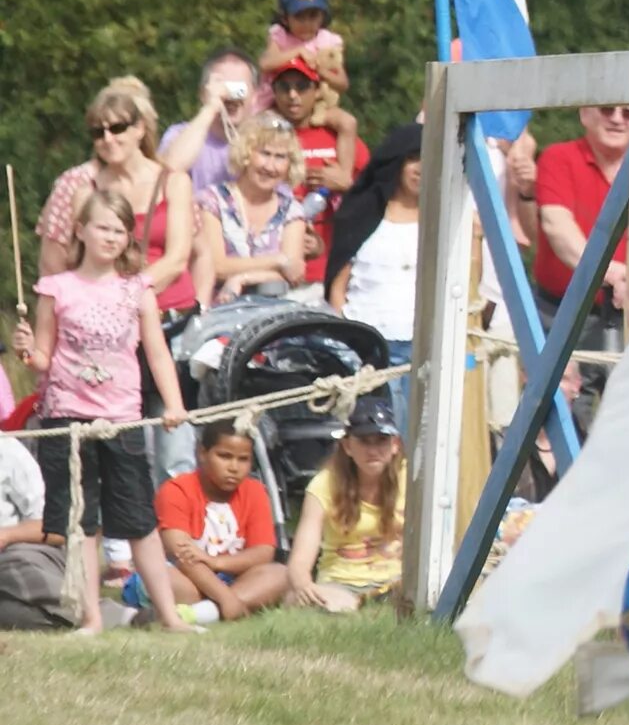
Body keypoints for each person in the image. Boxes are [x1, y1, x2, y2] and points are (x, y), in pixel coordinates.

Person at [28, 189, 194, 632]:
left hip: (121, 416)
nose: (111, 237)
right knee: (81, 522)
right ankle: (92, 617)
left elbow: (158, 353)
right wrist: (29, 351)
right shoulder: (55, 288)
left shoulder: (137, 289)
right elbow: (43, 358)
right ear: (80, 230)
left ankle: (170, 617)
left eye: (120, 230)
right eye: (102, 227)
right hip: (67, 417)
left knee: (139, 518)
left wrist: (174, 403)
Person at [37, 78, 197, 317]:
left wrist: (133, 295)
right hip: (113, 317)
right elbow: (79, 262)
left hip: (172, 310)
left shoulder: (174, 182)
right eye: (98, 132)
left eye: (117, 128)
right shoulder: (86, 192)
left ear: (140, 129)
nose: (108, 139)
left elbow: (178, 257)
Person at [153, 419, 288, 623]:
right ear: (202, 453)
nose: (234, 467)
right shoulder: (176, 490)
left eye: (243, 459)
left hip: (232, 577)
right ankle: (220, 608)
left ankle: (198, 613)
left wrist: (216, 562)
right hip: (185, 574)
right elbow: (181, 555)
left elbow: (263, 552)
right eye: (224, 456)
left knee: (281, 573)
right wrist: (226, 597)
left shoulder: (255, 491)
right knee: (173, 584)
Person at [286, 394, 404, 612]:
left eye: (381, 440)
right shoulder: (323, 484)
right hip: (340, 584)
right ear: (348, 446)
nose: (373, 450)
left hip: (397, 580)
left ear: (395, 444)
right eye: (364, 441)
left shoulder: (411, 480)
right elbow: (300, 561)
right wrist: (305, 586)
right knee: (305, 598)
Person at [191, 113, 318, 306]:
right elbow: (216, 266)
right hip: (217, 313)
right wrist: (278, 261)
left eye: (280, 157)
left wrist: (242, 279)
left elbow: (293, 274)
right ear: (246, 154)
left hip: (274, 317)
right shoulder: (212, 201)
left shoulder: (292, 211)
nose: (270, 166)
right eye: (265, 153)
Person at [325, 126, 425, 364]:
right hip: (368, 345)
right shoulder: (361, 215)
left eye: (429, 159)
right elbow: (337, 288)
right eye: (413, 158)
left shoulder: (445, 224)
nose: (421, 168)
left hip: (425, 347)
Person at [532, 102, 629, 322]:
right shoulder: (558, 159)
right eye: (607, 109)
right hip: (558, 316)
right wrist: (610, 273)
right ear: (584, 114)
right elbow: (557, 227)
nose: (617, 119)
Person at [269, 58, 366, 288]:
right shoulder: (265, 136)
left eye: (302, 87)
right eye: (284, 87)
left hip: (332, 270)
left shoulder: (338, 136)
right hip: (274, 270)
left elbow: (377, 194)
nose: (293, 95)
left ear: (317, 91)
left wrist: (347, 184)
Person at [158, 48, 260, 195]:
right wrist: (211, 107)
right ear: (203, 93)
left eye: (239, 89)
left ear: (255, 95)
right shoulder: (180, 135)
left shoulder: (267, 140)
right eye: (223, 87)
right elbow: (169, 170)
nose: (230, 97)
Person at [0, 429, 66, 629]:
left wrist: (6, 535)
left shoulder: (9, 450)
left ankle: (82, 610)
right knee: (11, 614)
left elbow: (55, 530)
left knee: (17, 567)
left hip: (16, 553)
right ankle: (115, 616)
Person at [260, 0, 350, 94]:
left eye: (313, 16)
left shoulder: (326, 41)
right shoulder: (280, 36)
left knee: (342, 114)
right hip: (279, 101)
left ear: (323, 16)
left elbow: (343, 83)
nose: (307, 23)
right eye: (299, 17)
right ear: (285, 18)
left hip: (315, 102)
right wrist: (298, 51)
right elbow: (265, 64)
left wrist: (320, 71)